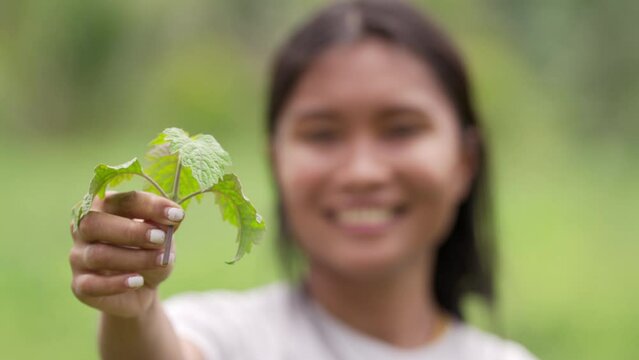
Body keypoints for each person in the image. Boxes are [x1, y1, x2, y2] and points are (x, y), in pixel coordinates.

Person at [68, 1, 538, 359]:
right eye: (322, 134)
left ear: (464, 160)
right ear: (276, 161)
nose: (362, 172)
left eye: (401, 129)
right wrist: (133, 304)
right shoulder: (225, 335)